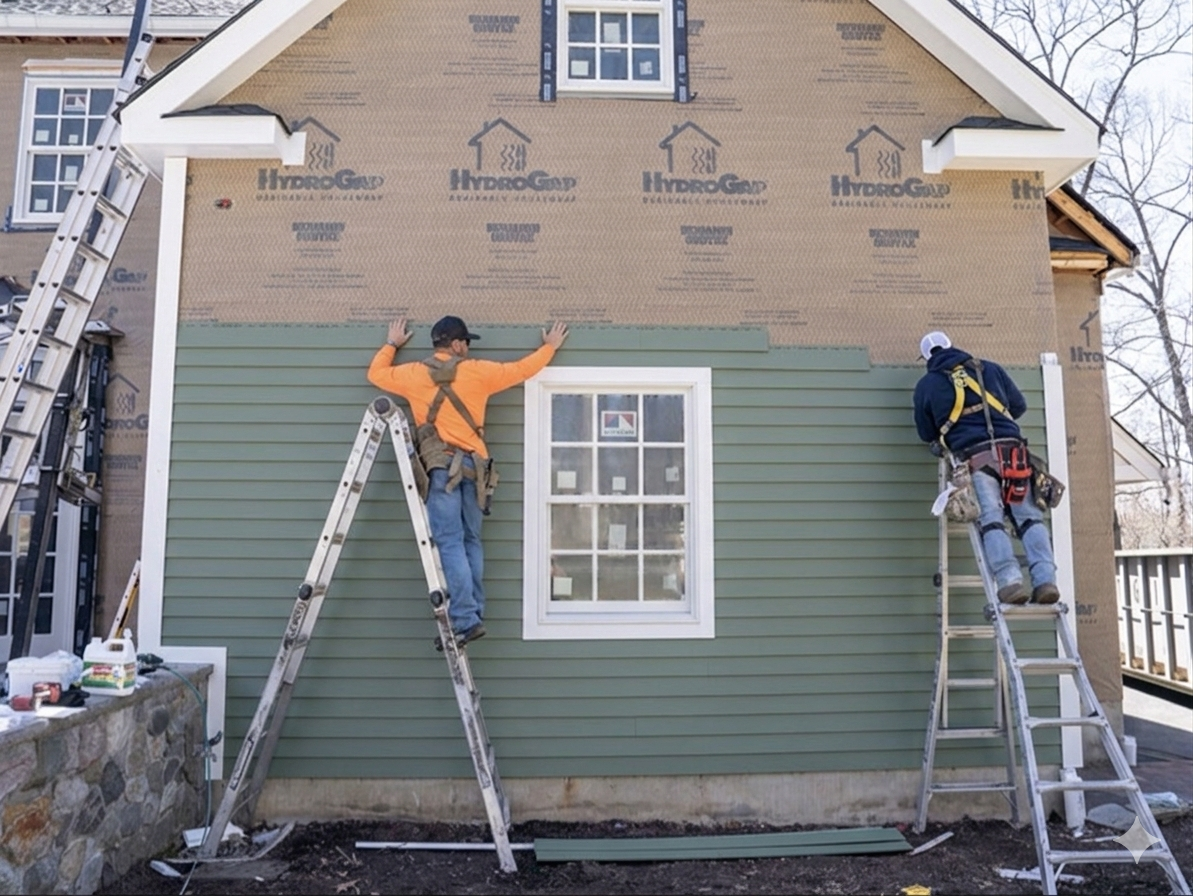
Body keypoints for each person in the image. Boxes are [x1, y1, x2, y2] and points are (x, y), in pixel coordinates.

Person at [368, 315, 569, 646]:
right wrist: (549, 348)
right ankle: (472, 615)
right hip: (476, 470)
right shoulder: (478, 371)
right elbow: (522, 369)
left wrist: (392, 343)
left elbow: (375, 374)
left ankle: (464, 619)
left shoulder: (413, 374)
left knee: (450, 543)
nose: (468, 349)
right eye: (467, 343)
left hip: (441, 467)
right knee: (471, 541)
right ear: (457, 344)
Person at [912, 331, 1059, 605]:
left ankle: (1010, 583)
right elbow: (1019, 406)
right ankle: (1046, 581)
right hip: (1014, 454)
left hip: (976, 458)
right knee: (1030, 519)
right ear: (951, 346)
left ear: (927, 358)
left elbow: (926, 432)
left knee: (992, 521)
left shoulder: (927, 385)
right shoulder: (989, 368)